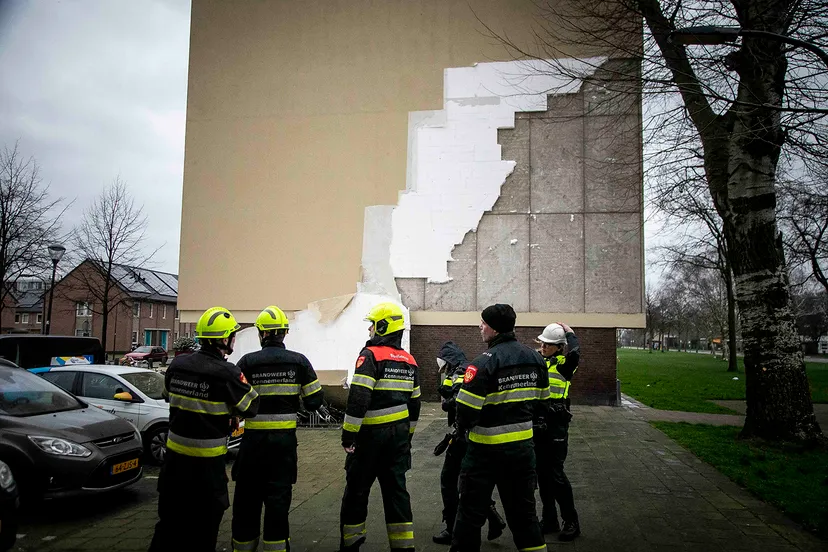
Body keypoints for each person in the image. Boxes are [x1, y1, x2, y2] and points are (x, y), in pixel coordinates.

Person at [149, 307, 260, 552]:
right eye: (232, 335)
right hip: (206, 471)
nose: (233, 339)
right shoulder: (228, 373)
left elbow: (168, 396)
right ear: (223, 339)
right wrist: (229, 410)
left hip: (174, 465)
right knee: (203, 533)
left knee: (168, 528)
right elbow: (251, 406)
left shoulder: (178, 364)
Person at [450, 304, 549, 552]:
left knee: (469, 518)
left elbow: (465, 412)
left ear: (493, 329)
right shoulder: (536, 359)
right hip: (522, 453)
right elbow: (542, 405)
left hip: (484, 455)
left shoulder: (482, 364)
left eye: (482, 323)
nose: (480, 328)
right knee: (525, 517)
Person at [231, 305, 326, 552]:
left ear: (261, 334)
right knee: (278, 501)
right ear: (284, 333)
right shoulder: (299, 362)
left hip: (252, 444)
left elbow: (235, 401)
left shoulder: (247, 362)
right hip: (283, 446)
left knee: (247, 500)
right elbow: (315, 401)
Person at [339, 302, 421, 552]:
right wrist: (407, 437)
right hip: (397, 439)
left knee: (356, 491)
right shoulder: (410, 361)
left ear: (384, 326)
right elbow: (415, 405)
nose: (370, 331)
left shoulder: (370, 355)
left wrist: (348, 435)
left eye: (373, 325)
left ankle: (351, 544)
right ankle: (404, 547)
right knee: (397, 493)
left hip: (369, 440)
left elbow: (359, 398)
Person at [432, 341, 506, 545]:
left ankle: (451, 529)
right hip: (472, 435)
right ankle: (492, 516)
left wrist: (448, 402)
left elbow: (457, 401)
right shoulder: (466, 367)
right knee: (468, 483)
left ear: (448, 359)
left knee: (449, 481)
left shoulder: (460, 371)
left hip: (462, 436)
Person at [533, 322, 580, 541]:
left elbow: (576, 353)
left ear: (560, 347)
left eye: (548, 345)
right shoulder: (540, 363)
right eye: (542, 344)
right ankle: (549, 519)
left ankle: (571, 521)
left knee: (556, 475)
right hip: (540, 424)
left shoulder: (564, 365)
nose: (543, 347)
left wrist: (570, 334)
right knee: (542, 475)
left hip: (557, 424)